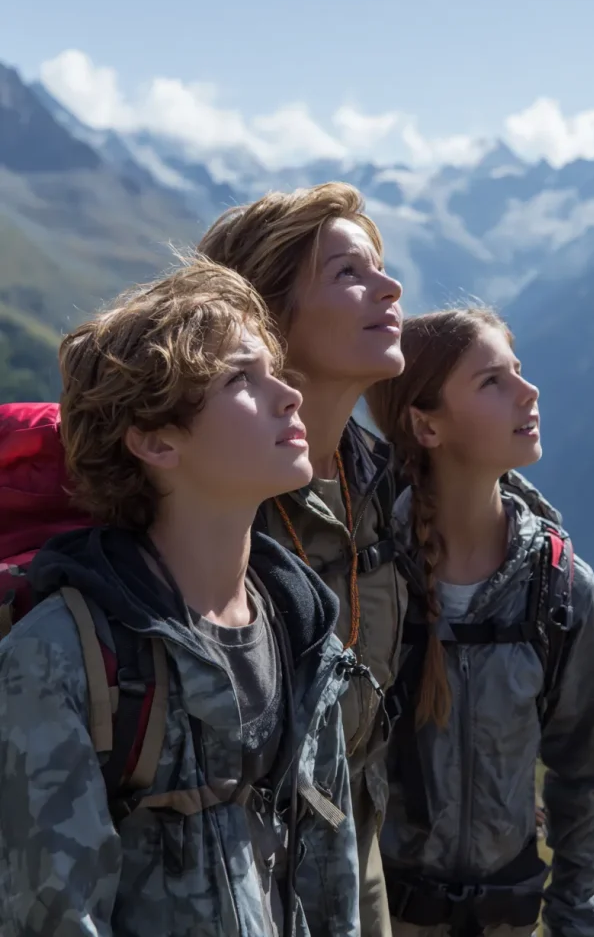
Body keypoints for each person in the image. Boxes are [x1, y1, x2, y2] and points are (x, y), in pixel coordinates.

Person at [0, 259, 360, 937]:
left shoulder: (304, 630)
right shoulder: (60, 658)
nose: (289, 396)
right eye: (241, 379)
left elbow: (329, 882)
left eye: (275, 372)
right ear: (154, 439)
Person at [365, 307, 594, 937]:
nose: (529, 392)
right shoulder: (369, 582)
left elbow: (585, 783)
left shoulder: (559, 592)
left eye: (519, 372)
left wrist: (577, 925)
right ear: (426, 425)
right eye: (492, 382)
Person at [198, 183, 407, 937]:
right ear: (268, 313)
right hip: (241, 886)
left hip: (359, 866)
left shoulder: (387, 489)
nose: (390, 287)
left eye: (380, 267)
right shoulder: (211, 497)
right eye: (350, 273)